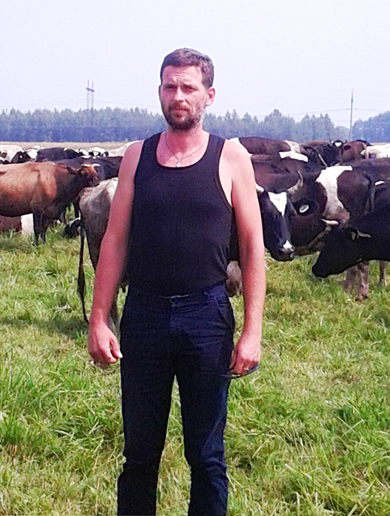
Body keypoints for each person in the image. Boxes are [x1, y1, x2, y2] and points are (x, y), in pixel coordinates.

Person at [87, 48, 265, 516]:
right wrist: (99, 319)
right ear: (160, 92)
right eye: (170, 86)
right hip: (144, 315)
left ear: (209, 95)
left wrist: (252, 332)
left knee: (206, 457)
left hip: (207, 317)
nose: (178, 96)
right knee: (139, 454)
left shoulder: (231, 158)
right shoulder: (136, 157)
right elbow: (115, 242)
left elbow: (252, 249)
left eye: (189, 87)